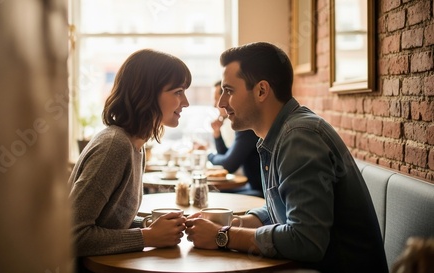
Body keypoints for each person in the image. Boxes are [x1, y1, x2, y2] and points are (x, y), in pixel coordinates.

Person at [184, 42, 388, 273]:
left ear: (261, 90)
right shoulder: (280, 135)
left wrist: (223, 236)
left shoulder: (299, 138)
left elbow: (305, 241)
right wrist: (232, 223)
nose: (221, 103)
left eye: (229, 91)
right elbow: (283, 209)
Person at [68, 49, 191, 271]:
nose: (186, 102)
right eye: (178, 92)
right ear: (147, 94)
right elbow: (72, 236)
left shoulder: (136, 146)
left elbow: (106, 224)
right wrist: (148, 237)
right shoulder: (115, 146)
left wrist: (148, 225)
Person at [208, 80, 262, 197]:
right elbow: (227, 155)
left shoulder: (247, 126)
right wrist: (217, 135)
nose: (215, 104)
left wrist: (209, 155)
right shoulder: (244, 124)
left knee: (212, 194)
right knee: (212, 192)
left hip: (261, 192)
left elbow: (228, 165)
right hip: (253, 187)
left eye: (216, 99)